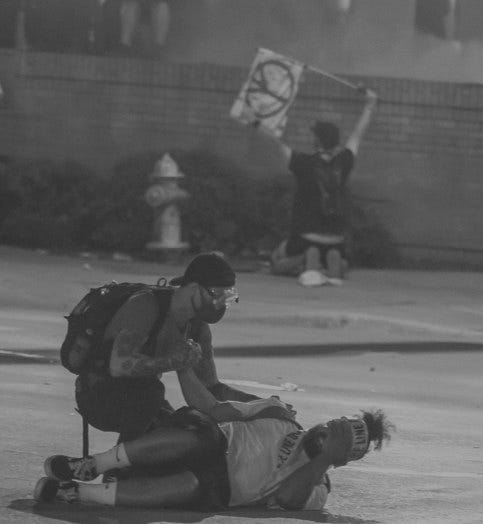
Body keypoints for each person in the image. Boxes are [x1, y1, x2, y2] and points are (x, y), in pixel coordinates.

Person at [35, 366, 392, 511]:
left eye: (339, 442)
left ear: (343, 459)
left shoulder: (318, 488)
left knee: (197, 486)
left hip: (219, 483)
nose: (328, 435)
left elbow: (286, 499)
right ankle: (89, 465)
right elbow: (213, 407)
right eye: (334, 427)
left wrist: (323, 459)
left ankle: (77, 494)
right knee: (203, 433)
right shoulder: (280, 414)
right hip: (202, 439)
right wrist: (183, 365)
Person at [75, 252, 261, 443]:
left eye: (228, 298)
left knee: (196, 431)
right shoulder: (145, 306)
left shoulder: (197, 327)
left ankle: (107, 465)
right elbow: (119, 365)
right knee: (152, 395)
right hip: (98, 394)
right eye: (217, 295)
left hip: (143, 398)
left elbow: (211, 386)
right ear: (194, 288)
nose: (221, 304)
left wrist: (261, 405)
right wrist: (172, 361)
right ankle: (116, 468)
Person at [269, 88, 379, 286]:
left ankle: (307, 260)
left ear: (317, 140)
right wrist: (369, 106)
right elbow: (357, 135)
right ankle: (332, 266)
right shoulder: (344, 162)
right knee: (342, 264)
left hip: (305, 236)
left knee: (276, 260)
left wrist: (267, 122)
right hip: (336, 239)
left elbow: (279, 142)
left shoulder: (302, 163)